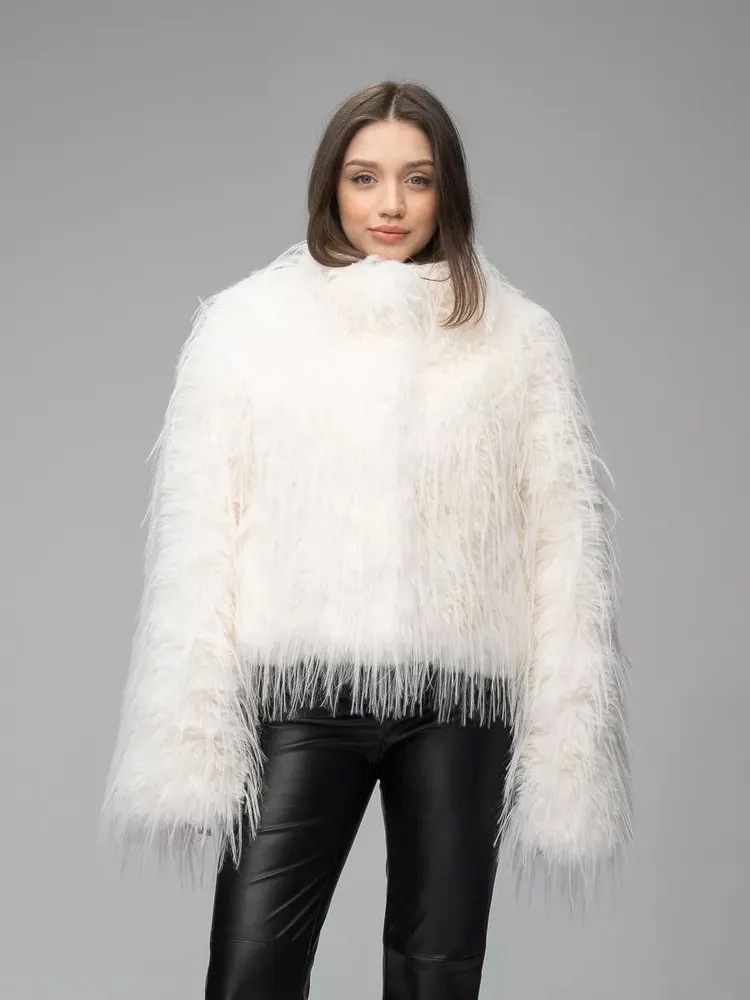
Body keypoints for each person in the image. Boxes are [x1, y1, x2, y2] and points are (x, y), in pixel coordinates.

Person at [98, 80, 633, 999]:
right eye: (365, 178)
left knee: (437, 972)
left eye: (417, 179)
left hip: (462, 697)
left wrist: (569, 736)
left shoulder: (517, 340)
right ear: (331, 187)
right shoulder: (249, 328)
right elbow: (200, 542)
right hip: (301, 690)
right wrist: (190, 728)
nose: (391, 204)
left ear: (447, 189)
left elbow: (562, 545)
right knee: (251, 966)